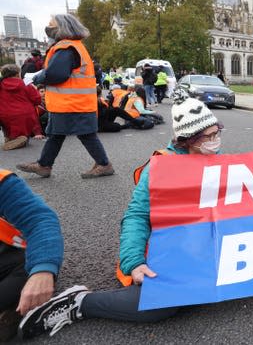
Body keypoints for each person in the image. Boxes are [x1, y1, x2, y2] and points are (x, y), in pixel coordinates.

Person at [18, 90, 223, 339]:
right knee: (160, 307)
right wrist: (134, 262)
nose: (216, 141)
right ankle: (81, 303)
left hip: (200, 247)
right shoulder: (161, 168)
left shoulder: (217, 161)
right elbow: (137, 216)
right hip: (165, 248)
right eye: (208, 136)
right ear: (188, 139)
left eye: (217, 134)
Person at [16, 14, 115, 179]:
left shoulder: (66, 48)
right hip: (74, 102)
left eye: (51, 24)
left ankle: (104, 164)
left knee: (81, 134)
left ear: (62, 27)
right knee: (58, 133)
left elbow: (56, 74)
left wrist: (37, 78)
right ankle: (44, 164)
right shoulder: (74, 46)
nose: (48, 27)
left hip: (71, 103)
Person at [0, 169, 63, 341]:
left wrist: (43, 270)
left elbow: (40, 219)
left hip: (10, 262)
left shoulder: (2, 182)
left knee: (28, 264)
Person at [0, 64, 44, 150]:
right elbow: (37, 100)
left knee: (8, 124)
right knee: (24, 132)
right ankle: (21, 138)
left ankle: (10, 138)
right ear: (17, 74)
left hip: (4, 115)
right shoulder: (25, 83)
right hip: (24, 114)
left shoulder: (0, 84)